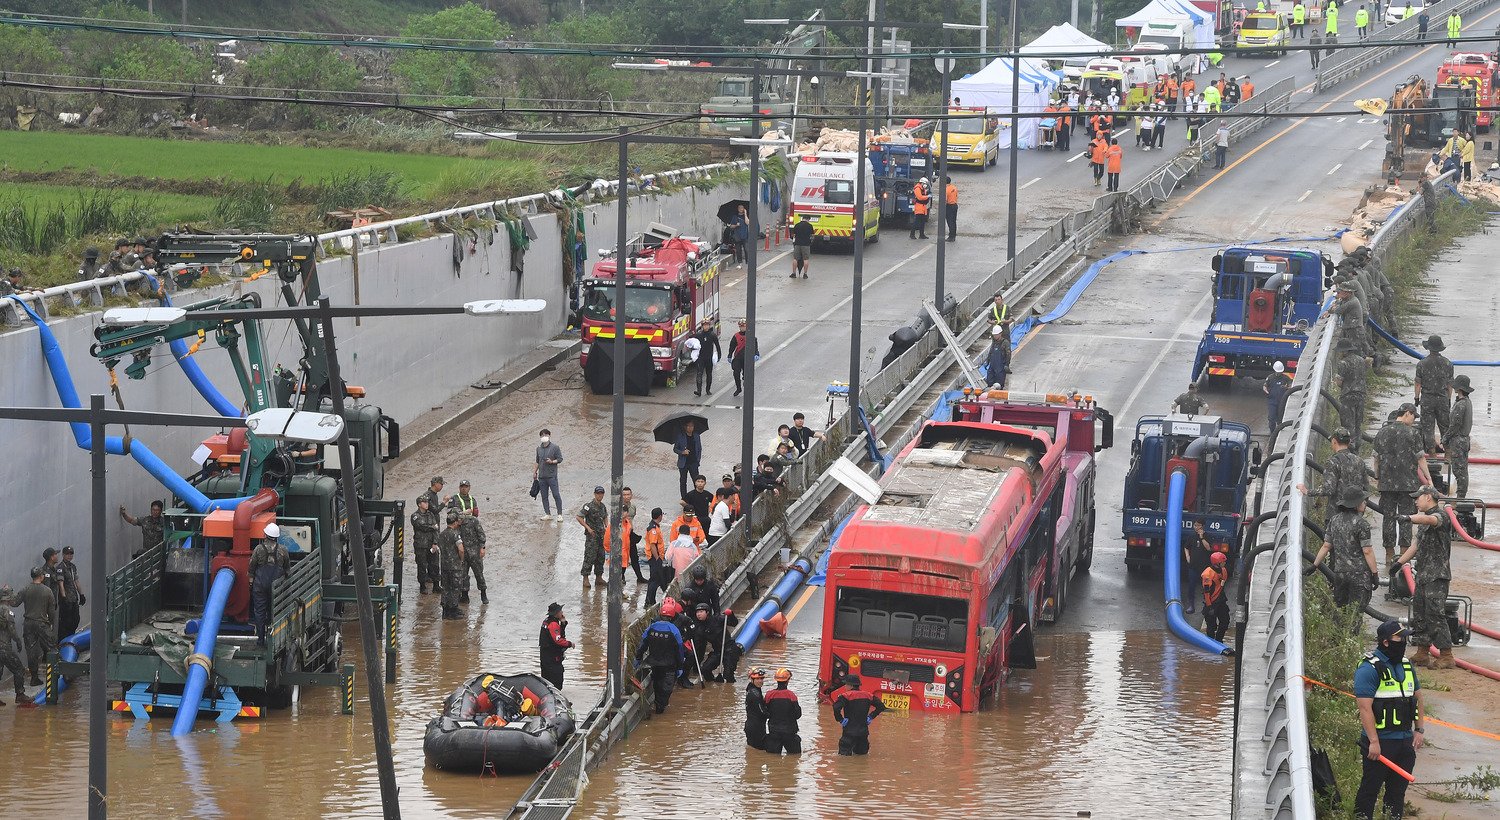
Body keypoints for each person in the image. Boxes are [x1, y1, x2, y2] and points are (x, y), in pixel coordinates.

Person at [1353, 621, 1424, 820]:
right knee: (1370, 790)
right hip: (1380, 744)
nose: (1403, 642)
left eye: (1405, 637)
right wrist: (1374, 742)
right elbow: (1364, 708)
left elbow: (1417, 699)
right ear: (1385, 642)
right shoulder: (1369, 668)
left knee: (1396, 794)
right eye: (1399, 638)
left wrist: (1419, 729)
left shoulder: (1406, 665)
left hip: (1404, 742)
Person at [1393, 485, 1455, 668]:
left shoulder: (1440, 516)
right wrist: (1398, 563)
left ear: (1428, 497)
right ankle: (1422, 651)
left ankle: (1446, 654)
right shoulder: (1423, 523)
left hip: (1437, 575)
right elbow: (1415, 546)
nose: (1415, 501)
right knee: (1420, 613)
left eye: (1418, 497)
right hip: (1423, 574)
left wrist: (1409, 518)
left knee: (1435, 613)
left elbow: (1430, 520)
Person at [1308, 488, 1380, 629]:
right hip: (1360, 575)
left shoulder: (1334, 520)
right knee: (1355, 613)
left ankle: (1339, 638)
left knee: (1341, 610)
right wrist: (1375, 573)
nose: (1365, 503)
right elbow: (1367, 551)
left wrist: (1315, 565)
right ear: (1356, 504)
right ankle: (1351, 641)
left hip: (1340, 574)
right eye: (1363, 501)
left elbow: (1326, 546)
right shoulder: (1361, 524)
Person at [1373, 404, 1428, 570]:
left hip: (1387, 484)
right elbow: (1420, 459)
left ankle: (1389, 555)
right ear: (1407, 414)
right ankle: (1404, 556)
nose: (1413, 420)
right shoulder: (1413, 433)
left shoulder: (1382, 432)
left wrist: (1377, 476)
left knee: (1388, 519)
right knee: (1406, 519)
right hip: (1408, 484)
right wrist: (1429, 479)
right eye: (1413, 416)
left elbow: (1376, 459)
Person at [635, 598, 687, 713]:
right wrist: (680, 666)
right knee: (667, 688)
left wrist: (638, 658)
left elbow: (643, 643)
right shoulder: (674, 630)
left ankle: (658, 705)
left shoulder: (651, 627)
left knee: (657, 685)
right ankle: (660, 707)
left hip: (654, 663)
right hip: (670, 665)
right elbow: (679, 649)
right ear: (672, 615)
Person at [1300, 427, 1368, 508]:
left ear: (1334, 441)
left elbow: (1328, 489)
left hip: (1336, 511)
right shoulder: (1359, 461)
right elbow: (1366, 486)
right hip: (1356, 509)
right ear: (1349, 442)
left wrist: (1308, 491)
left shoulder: (1332, 462)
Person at [248, 524, 290, 645]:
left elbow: (251, 568)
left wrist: (251, 584)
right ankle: (275, 639)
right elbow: (287, 570)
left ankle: (260, 640)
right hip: (276, 587)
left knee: (260, 613)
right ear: (276, 537)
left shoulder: (258, 549)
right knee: (275, 612)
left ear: (265, 535)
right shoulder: (283, 550)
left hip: (260, 586)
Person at [831, 673, 887, 756]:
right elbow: (881, 706)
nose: (845, 686)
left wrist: (840, 719)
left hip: (849, 733)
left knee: (844, 758)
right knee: (861, 757)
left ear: (850, 685)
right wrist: (871, 716)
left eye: (846, 684)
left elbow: (836, 708)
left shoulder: (845, 696)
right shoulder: (868, 695)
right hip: (863, 733)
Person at [1414, 335, 1452, 452]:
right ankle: (1448, 455)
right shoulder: (1448, 363)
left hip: (1427, 400)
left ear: (1429, 348)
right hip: (1443, 400)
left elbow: (1418, 384)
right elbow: (1450, 385)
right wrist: (1449, 399)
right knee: (1445, 428)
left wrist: (1416, 398)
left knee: (1428, 429)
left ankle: (1432, 455)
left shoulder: (1422, 364)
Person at [17, 567, 55, 686]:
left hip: (28, 624)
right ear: (41, 576)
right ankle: (54, 677)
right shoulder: (47, 591)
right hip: (42, 624)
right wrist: (51, 623)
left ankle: (34, 678)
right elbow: (51, 611)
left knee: (31, 651)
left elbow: (15, 602)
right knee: (51, 649)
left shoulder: (25, 589)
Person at [0, 586, 35, 708]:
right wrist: (18, 641)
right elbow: (11, 630)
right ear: (9, 597)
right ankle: (20, 695)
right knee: (19, 669)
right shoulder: (7, 611)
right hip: (4, 647)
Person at [1336, 339, 1370, 450]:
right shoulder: (1361, 360)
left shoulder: (1343, 363)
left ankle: (1350, 447)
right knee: (1358, 423)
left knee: (1347, 424)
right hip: (1361, 395)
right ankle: (1358, 446)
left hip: (1348, 395)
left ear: (1345, 351)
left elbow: (1339, 382)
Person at [1444, 375, 1474, 497]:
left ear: (1459, 388)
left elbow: (1455, 425)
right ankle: (1461, 496)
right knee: (1462, 470)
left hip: (1459, 441)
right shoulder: (1466, 402)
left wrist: (1445, 437)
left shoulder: (1461, 404)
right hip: (1463, 440)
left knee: (1459, 470)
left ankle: (1460, 497)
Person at [763, 667, 802, 754]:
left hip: (774, 731)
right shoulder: (791, 696)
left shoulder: (769, 695)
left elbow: (765, 712)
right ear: (788, 680)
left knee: (773, 759)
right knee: (794, 758)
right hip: (789, 732)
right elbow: (798, 714)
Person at [577, 486, 609, 588]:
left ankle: (599, 578)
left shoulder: (603, 506)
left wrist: (607, 527)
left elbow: (605, 517)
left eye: (601, 493)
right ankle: (585, 579)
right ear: (594, 494)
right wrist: (588, 528)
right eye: (598, 493)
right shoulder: (588, 506)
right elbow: (579, 517)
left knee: (601, 557)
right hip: (592, 536)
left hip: (601, 536)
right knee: (589, 557)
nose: (600, 495)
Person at [437, 511, 466, 620]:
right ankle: (453, 610)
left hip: (444, 565)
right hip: (455, 566)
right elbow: (461, 549)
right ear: (454, 522)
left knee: (445, 587)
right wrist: (461, 560)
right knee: (455, 588)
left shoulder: (442, 534)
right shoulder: (455, 534)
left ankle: (445, 611)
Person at [410, 496, 441, 594]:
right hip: (421, 546)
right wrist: (432, 527)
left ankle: (436, 585)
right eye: (424, 502)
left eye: (427, 502)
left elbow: (436, 530)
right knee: (422, 566)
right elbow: (421, 526)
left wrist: (435, 543)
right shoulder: (415, 516)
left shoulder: (430, 514)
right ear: (419, 504)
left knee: (435, 565)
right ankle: (422, 586)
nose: (427, 504)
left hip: (431, 545)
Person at [539, 602, 573, 689]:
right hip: (552, 658)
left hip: (545, 656)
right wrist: (570, 644)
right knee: (556, 683)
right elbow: (558, 640)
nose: (562, 613)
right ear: (556, 613)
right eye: (560, 611)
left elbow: (556, 636)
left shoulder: (546, 622)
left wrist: (563, 624)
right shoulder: (553, 624)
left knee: (546, 681)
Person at [1199, 551, 1230, 642]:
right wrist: (1209, 606)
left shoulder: (1223, 570)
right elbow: (1206, 592)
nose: (1225, 563)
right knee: (1211, 626)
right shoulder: (1207, 574)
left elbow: (1222, 585)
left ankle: (1219, 640)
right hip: (1211, 603)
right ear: (1217, 563)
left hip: (1221, 601)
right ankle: (1211, 643)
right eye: (1223, 562)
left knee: (1225, 621)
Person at [458, 511, 488, 604]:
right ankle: (465, 595)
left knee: (479, 574)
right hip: (463, 555)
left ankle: (483, 594)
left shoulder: (473, 521)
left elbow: (481, 535)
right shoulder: (455, 525)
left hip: (475, 554)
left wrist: (482, 547)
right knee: (463, 575)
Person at [535, 430, 564, 522]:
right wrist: (534, 472)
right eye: (542, 435)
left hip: (552, 476)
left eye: (546, 434)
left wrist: (552, 462)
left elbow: (560, 459)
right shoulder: (538, 449)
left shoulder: (555, 447)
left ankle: (559, 514)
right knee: (544, 496)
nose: (544, 436)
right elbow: (537, 462)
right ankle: (548, 514)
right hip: (542, 477)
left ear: (549, 435)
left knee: (556, 495)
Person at [55, 546, 81, 641]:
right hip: (66, 600)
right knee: (65, 623)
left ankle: (71, 640)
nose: (69, 556)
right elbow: (61, 584)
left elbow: (76, 581)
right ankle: (63, 642)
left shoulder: (72, 567)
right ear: (63, 555)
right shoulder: (60, 568)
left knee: (75, 620)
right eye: (67, 554)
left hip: (73, 598)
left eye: (71, 554)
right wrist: (64, 597)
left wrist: (81, 594)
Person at [728, 319, 757, 398]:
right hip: (738, 357)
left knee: (746, 375)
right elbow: (732, 346)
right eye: (741, 326)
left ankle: (747, 387)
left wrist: (756, 353)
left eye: (743, 326)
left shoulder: (751, 335)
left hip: (747, 358)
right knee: (736, 373)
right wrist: (730, 355)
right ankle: (738, 388)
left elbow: (755, 345)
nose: (742, 328)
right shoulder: (736, 336)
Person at [693, 319, 722, 397]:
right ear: (702, 326)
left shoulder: (712, 335)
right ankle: (699, 390)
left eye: (707, 325)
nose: (706, 327)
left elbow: (717, 345)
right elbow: (693, 345)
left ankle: (708, 390)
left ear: (709, 326)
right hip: (700, 358)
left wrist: (719, 355)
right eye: (704, 325)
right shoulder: (698, 335)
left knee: (709, 374)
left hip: (709, 358)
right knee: (699, 373)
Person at [676, 420, 702, 498]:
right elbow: (675, 449)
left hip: (693, 463)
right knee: (683, 481)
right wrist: (682, 452)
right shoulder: (680, 436)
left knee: (696, 481)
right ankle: (684, 498)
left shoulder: (697, 436)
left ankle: (698, 496)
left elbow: (699, 449)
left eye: (692, 426)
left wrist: (698, 460)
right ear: (685, 427)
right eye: (688, 426)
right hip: (683, 463)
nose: (690, 428)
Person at [744, 667, 769, 748]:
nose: (760, 681)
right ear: (752, 679)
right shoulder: (755, 694)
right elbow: (762, 712)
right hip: (756, 728)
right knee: (759, 752)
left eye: (761, 678)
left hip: (752, 725)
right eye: (757, 679)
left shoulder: (751, 689)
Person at [1264, 361, 1292, 431]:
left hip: (1282, 401)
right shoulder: (1270, 377)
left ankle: (1279, 431)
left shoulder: (1286, 378)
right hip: (1272, 401)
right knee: (1271, 417)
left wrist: (1286, 388)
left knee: (1280, 418)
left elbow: (1291, 386)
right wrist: (1266, 391)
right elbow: (1264, 386)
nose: (1279, 373)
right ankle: (1272, 432)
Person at [943, 176, 958, 241]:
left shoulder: (946, 190)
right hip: (955, 205)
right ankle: (953, 235)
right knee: (953, 221)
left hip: (949, 206)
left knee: (950, 222)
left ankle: (951, 237)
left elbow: (945, 200)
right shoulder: (954, 187)